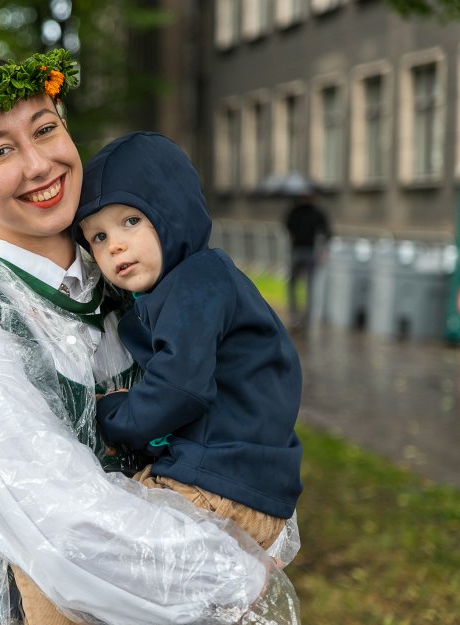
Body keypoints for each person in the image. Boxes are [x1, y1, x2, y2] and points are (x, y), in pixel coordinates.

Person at [0, 50, 300, 625]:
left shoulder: (137, 278)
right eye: (1, 150)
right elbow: (69, 531)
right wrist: (240, 575)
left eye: (45, 129)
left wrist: (265, 523)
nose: (39, 164)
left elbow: (250, 414)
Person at [73, 131, 303, 556]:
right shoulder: (186, 286)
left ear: (172, 212)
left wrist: (112, 413)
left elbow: (180, 389)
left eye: (130, 221)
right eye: (98, 237)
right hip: (230, 480)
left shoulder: (197, 282)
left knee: (82, 548)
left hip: (218, 487)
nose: (115, 244)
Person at [283, 189, 332, 330]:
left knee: (302, 286)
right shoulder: (312, 211)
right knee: (300, 285)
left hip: (304, 251)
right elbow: (327, 232)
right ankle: (299, 317)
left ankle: (301, 317)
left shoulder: (297, 210)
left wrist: (322, 250)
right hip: (302, 252)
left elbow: (287, 226)